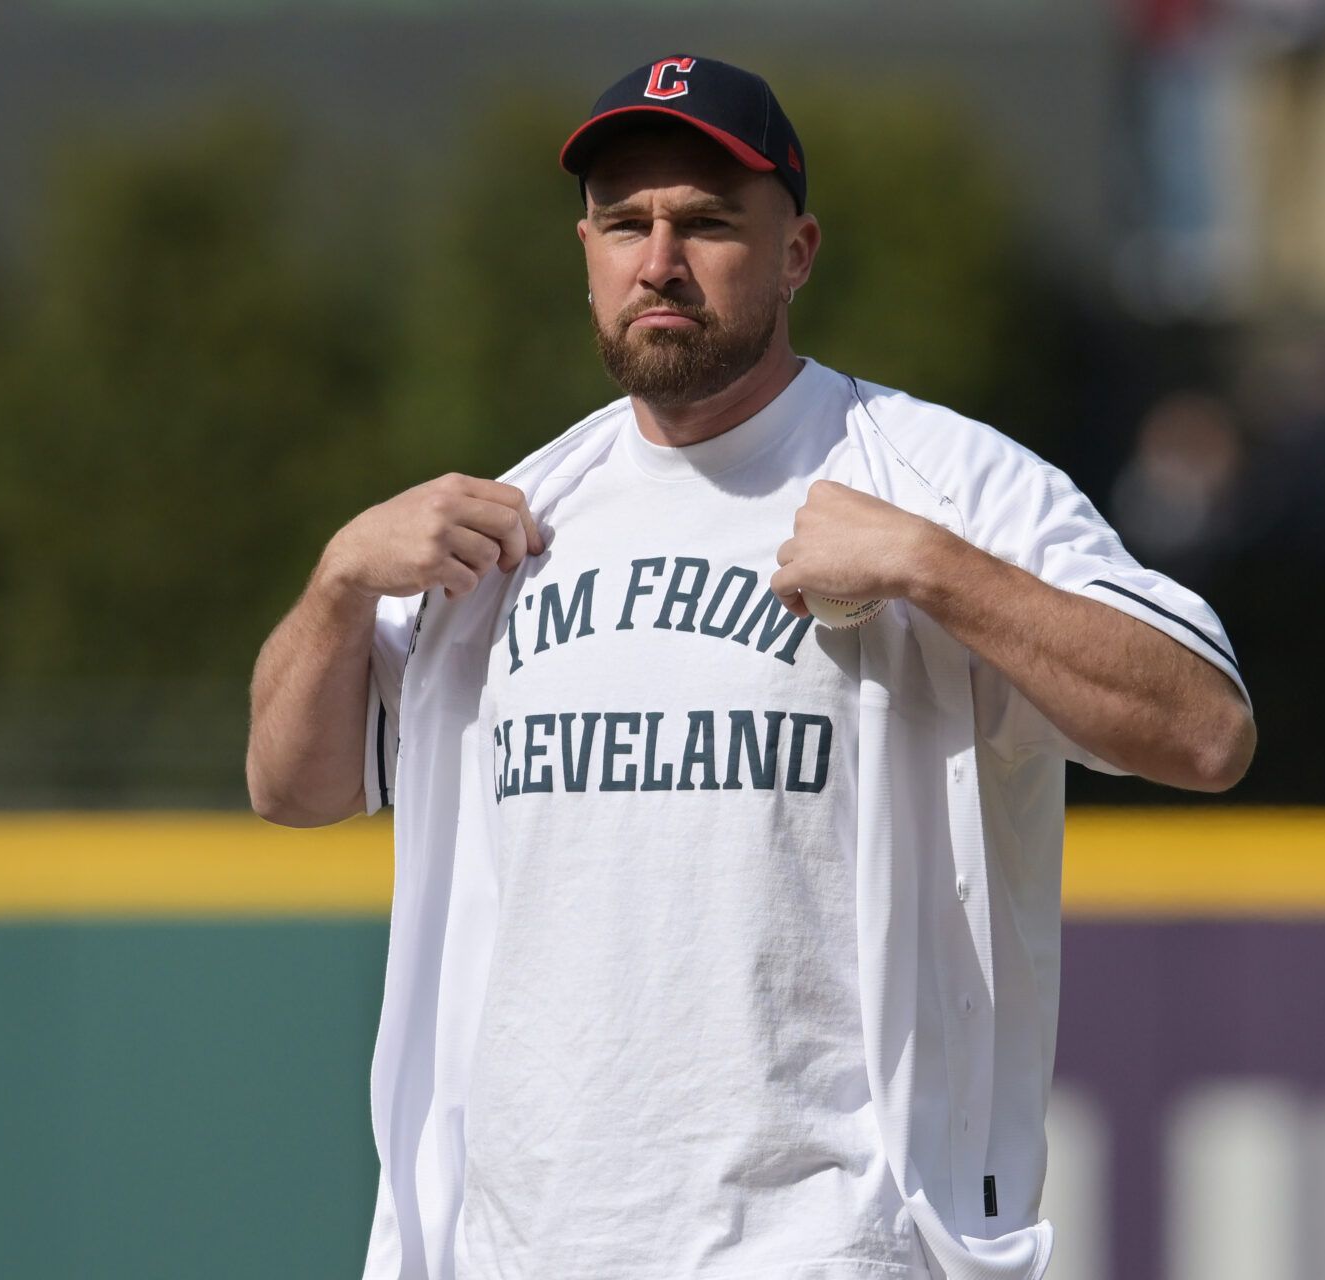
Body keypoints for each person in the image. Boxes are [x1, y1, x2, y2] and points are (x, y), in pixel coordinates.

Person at [246, 55, 1254, 1280]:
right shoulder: (513, 515)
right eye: (625, 222)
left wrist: (939, 569)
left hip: (832, 1241)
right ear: (586, 249)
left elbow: (1205, 730)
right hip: (528, 1241)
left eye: (709, 221)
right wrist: (341, 582)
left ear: (798, 252)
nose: (659, 259)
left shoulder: (937, 480)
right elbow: (292, 784)